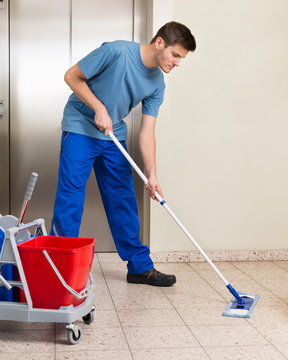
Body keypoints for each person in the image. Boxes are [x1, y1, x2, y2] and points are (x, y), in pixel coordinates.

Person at [51, 21, 196, 286]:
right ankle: (58, 268)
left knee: (123, 199)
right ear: (160, 42)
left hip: (112, 134)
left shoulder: (157, 84)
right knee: (70, 197)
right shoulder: (116, 52)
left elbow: (146, 132)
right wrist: (98, 107)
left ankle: (139, 267)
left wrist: (152, 176)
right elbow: (71, 76)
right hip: (80, 127)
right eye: (176, 55)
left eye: (181, 59)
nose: (177, 63)